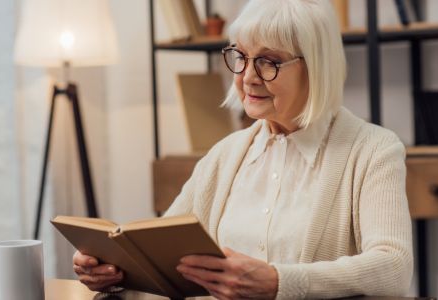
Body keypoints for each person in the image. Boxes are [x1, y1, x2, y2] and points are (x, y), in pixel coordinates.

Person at [73, 0, 413, 298]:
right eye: (240, 56)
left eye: (268, 61)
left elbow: (393, 267)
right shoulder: (226, 154)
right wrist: (113, 271)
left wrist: (282, 283)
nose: (248, 77)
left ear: (315, 67)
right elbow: (159, 252)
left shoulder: (373, 150)